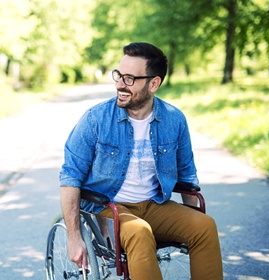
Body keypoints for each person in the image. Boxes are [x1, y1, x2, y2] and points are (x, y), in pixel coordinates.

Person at [60, 42, 223, 280]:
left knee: (204, 226)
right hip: (109, 208)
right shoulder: (95, 119)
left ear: (153, 83)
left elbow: (187, 175)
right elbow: (70, 177)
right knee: (139, 231)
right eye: (118, 76)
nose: (119, 84)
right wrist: (74, 238)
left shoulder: (174, 120)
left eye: (129, 78)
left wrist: (190, 219)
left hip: (153, 205)